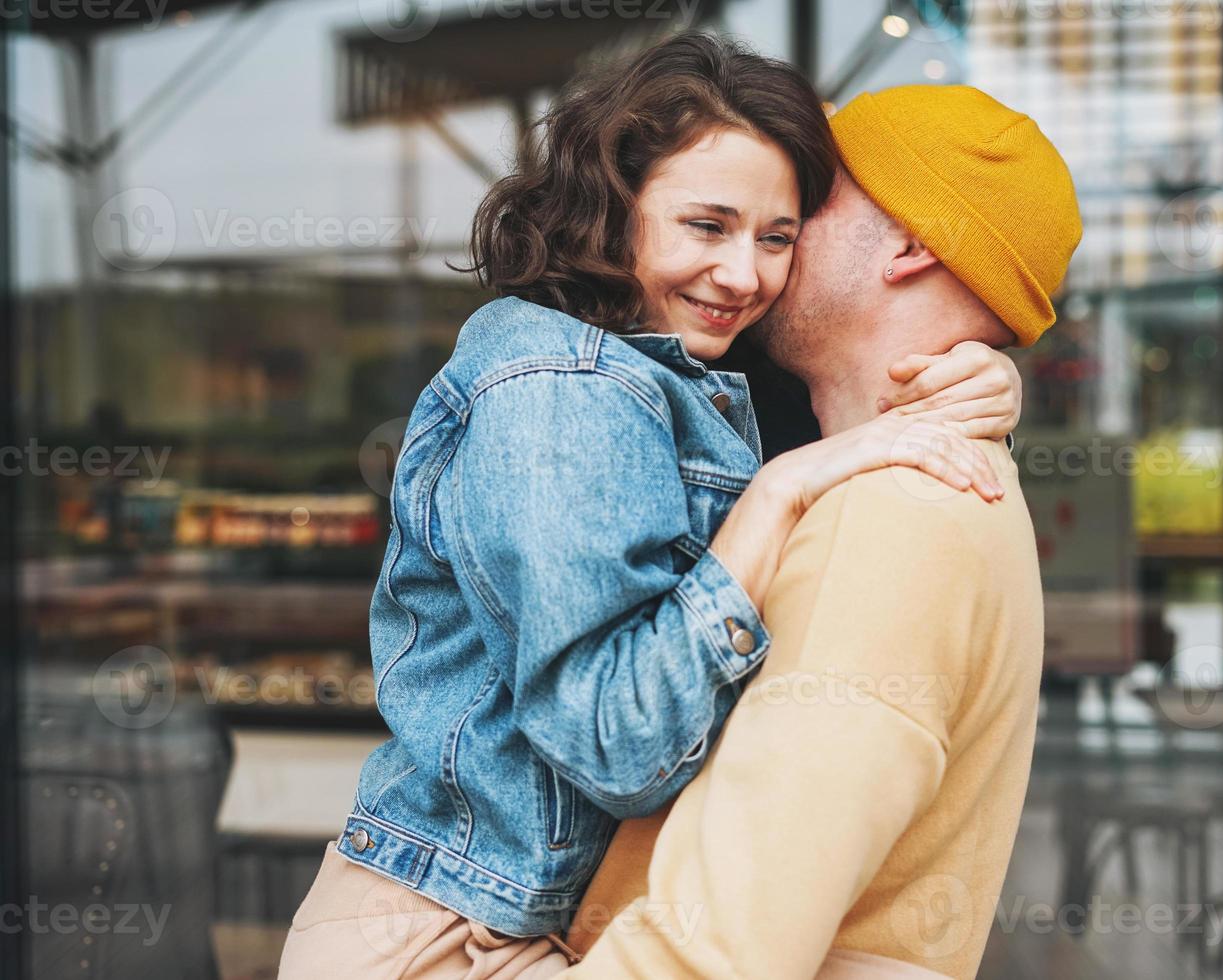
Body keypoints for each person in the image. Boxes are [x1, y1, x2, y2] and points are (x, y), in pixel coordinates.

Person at [276, 37, 1025, 980]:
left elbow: (864, 370)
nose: (745, 275)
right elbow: (616, 746)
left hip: (519, 919)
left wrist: (984, 374)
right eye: (707, 225)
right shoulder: (557, 385)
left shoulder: (681, 367)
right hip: (446, 933)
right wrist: (778, 492)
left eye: (778, 236)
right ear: (613, 207)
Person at [559, 83, 1083, 979]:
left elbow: (716, 947)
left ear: (913, 245)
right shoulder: (908, 466)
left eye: (810, 191)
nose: (776, 220)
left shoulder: (889, 518)